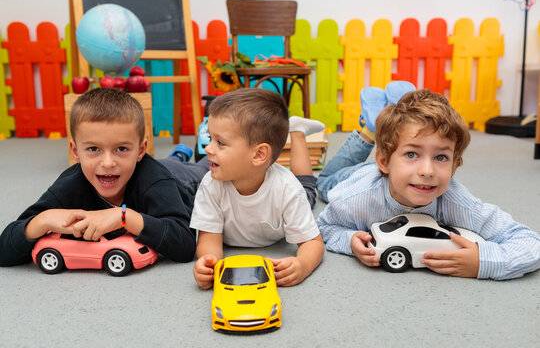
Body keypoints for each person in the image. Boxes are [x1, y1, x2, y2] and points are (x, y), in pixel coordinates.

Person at [317, 83, 540, 280]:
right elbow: (324, 226)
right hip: (356, 176)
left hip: (392, 171)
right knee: (324, 184)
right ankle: (369, 129)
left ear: (454, 167)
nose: (427, 171)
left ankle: (394, 118)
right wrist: (349, 241)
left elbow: (529, 241)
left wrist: (485, 261)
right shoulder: (356, 197)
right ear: (384, 161)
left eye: (441, 157)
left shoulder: (457, 202)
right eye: (412, 154)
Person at [0, 88, 207, 266]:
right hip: (142, 166)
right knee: (168, 162)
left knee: (208, 169)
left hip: (182, 180)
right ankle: (178, 155)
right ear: (75, 151)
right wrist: (42, 220)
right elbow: (4, 251)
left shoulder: (156, 182)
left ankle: (192, 156)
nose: (107, 163)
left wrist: (123, 217)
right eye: (93, 149)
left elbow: (185, 246)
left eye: (121, 148)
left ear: (141, 149)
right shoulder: (70, 184)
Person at [191, 88, 325, 289]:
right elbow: (208, 238)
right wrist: (209, 262)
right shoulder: (211, 185)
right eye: (209, 138)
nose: (208, 149)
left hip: (292, 191)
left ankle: (296, 132)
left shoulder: (288, 189)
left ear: (259, 154)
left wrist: (303, 264)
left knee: (307, 187)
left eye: (219, 142)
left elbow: (313, 243)